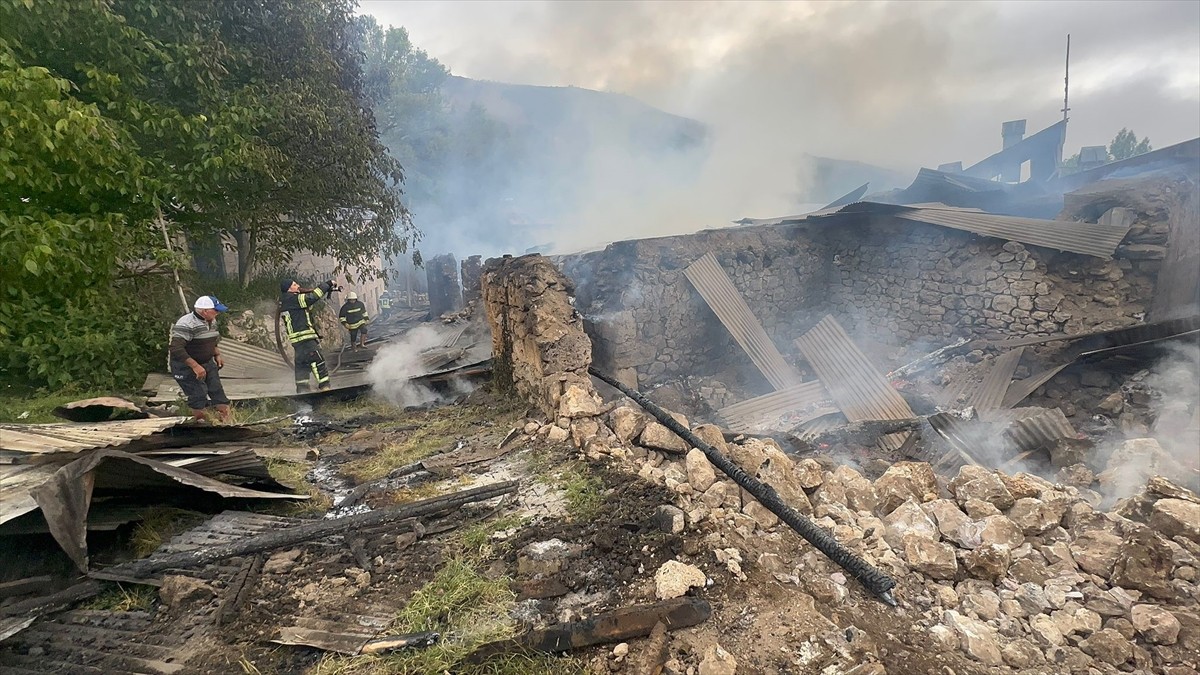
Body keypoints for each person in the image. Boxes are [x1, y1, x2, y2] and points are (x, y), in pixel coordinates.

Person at [169, 295, 231, 422]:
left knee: (217, 390)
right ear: (204, 311)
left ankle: (227, 422)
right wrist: (195, 366)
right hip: (185, 366)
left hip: (207, 362)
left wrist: (217, 354)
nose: (218, 313)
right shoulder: (186, 324)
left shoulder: (212, 321)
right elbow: (176, 349)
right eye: (216, 310)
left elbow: (211, 340)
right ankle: (200, 423)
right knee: (198, 394)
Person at [280, 278, 339, 392]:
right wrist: (327, 284)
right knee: (318, 362)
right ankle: (325, 390)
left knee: (302, 367)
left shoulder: (286, 301)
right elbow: (313, 297)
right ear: (289, 289)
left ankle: (303, 394)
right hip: (306, 340)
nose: (298, 285)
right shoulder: (293, 299)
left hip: (298, 342)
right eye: (294, 284)